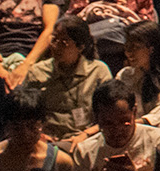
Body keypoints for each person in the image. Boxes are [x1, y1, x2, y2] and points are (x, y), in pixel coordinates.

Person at [16, 14, 110, 143]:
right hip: (48, 140)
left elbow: (110, 114)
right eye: (54, 40)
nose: (56, 47)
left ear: (80, 47)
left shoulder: (98, 71)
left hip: (87, 138)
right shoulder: (37, 72)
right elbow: (27, 114)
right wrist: (40, 135)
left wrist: (86, 135)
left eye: (64, 42)